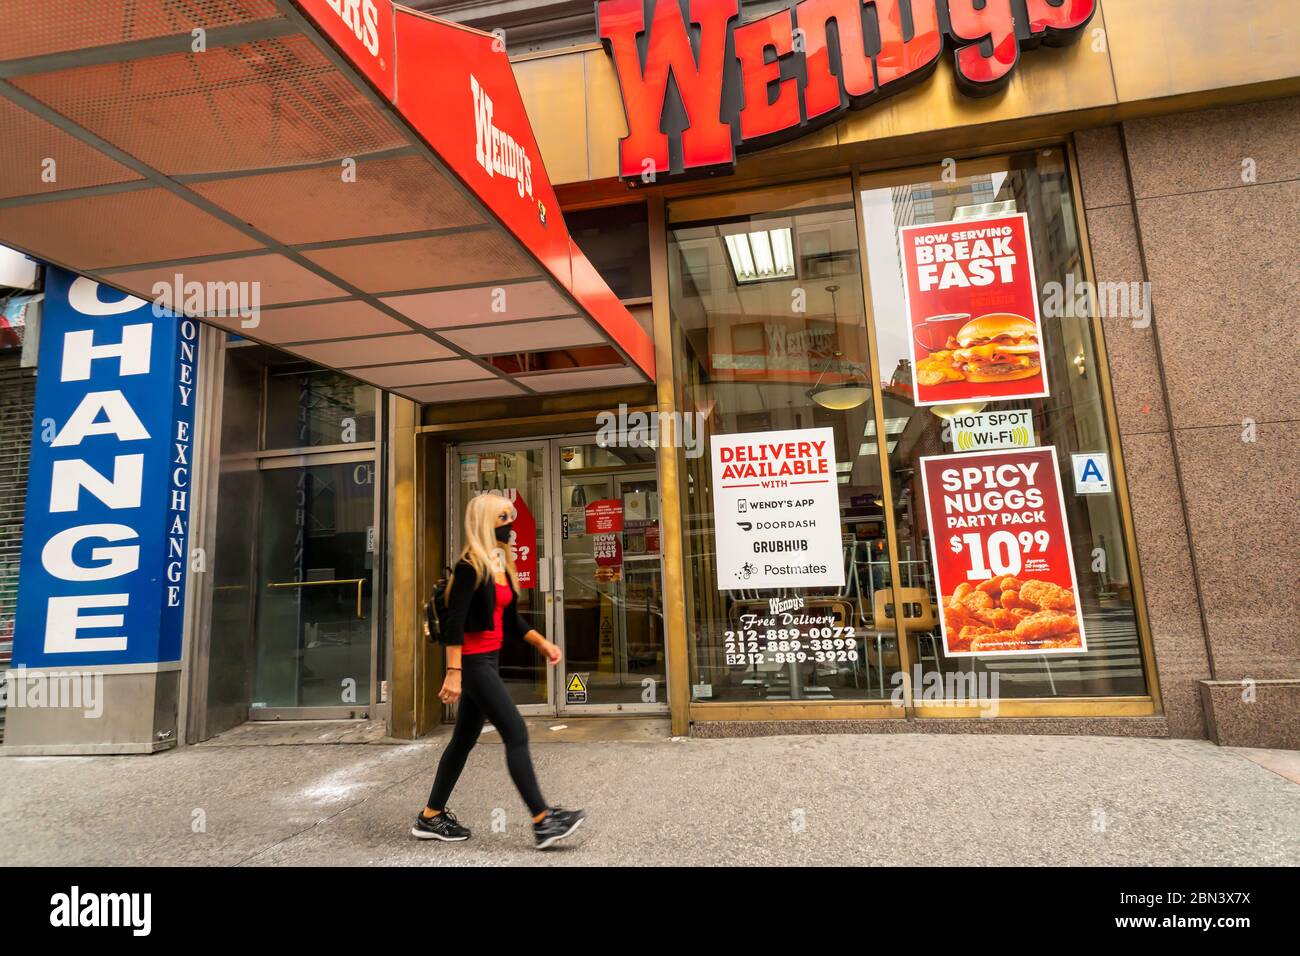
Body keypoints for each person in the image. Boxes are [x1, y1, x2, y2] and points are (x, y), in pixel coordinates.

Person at [413, 492, 586, 850]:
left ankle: (431, 816)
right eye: (504, 519)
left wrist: (542, 643)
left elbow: (509, 618)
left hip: (487, 660)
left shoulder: (497, 563)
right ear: (486, 523)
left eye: (511, 518)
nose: (511, 526)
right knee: (516, 732)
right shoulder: (468, 566)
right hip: (474, 664)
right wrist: (454, 672)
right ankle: (543, 821)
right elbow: (455, 624)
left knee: (462, 741)